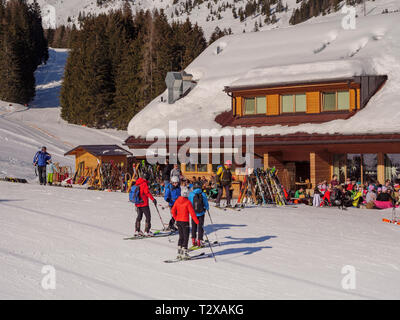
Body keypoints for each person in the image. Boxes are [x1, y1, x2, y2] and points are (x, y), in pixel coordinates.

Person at [171, 186, 199, 260]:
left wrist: (176, 218)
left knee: (181, 236)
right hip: (185, 222)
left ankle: (179, 252)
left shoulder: (177, 201)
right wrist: (197, 222)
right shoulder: (188, 202)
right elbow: (192, 213)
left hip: (179, 221)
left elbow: (173, 211)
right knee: (186, 237)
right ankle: (185, 252)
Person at [188, 181, 209, 247]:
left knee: (194, 226)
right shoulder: (203, 194)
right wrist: (207, 208)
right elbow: (206, 202)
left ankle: (193, 240)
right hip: (201, 213)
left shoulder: (191, 194)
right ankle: (199, 240)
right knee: (200, 226)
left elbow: (189, 203)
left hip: (193, 213)